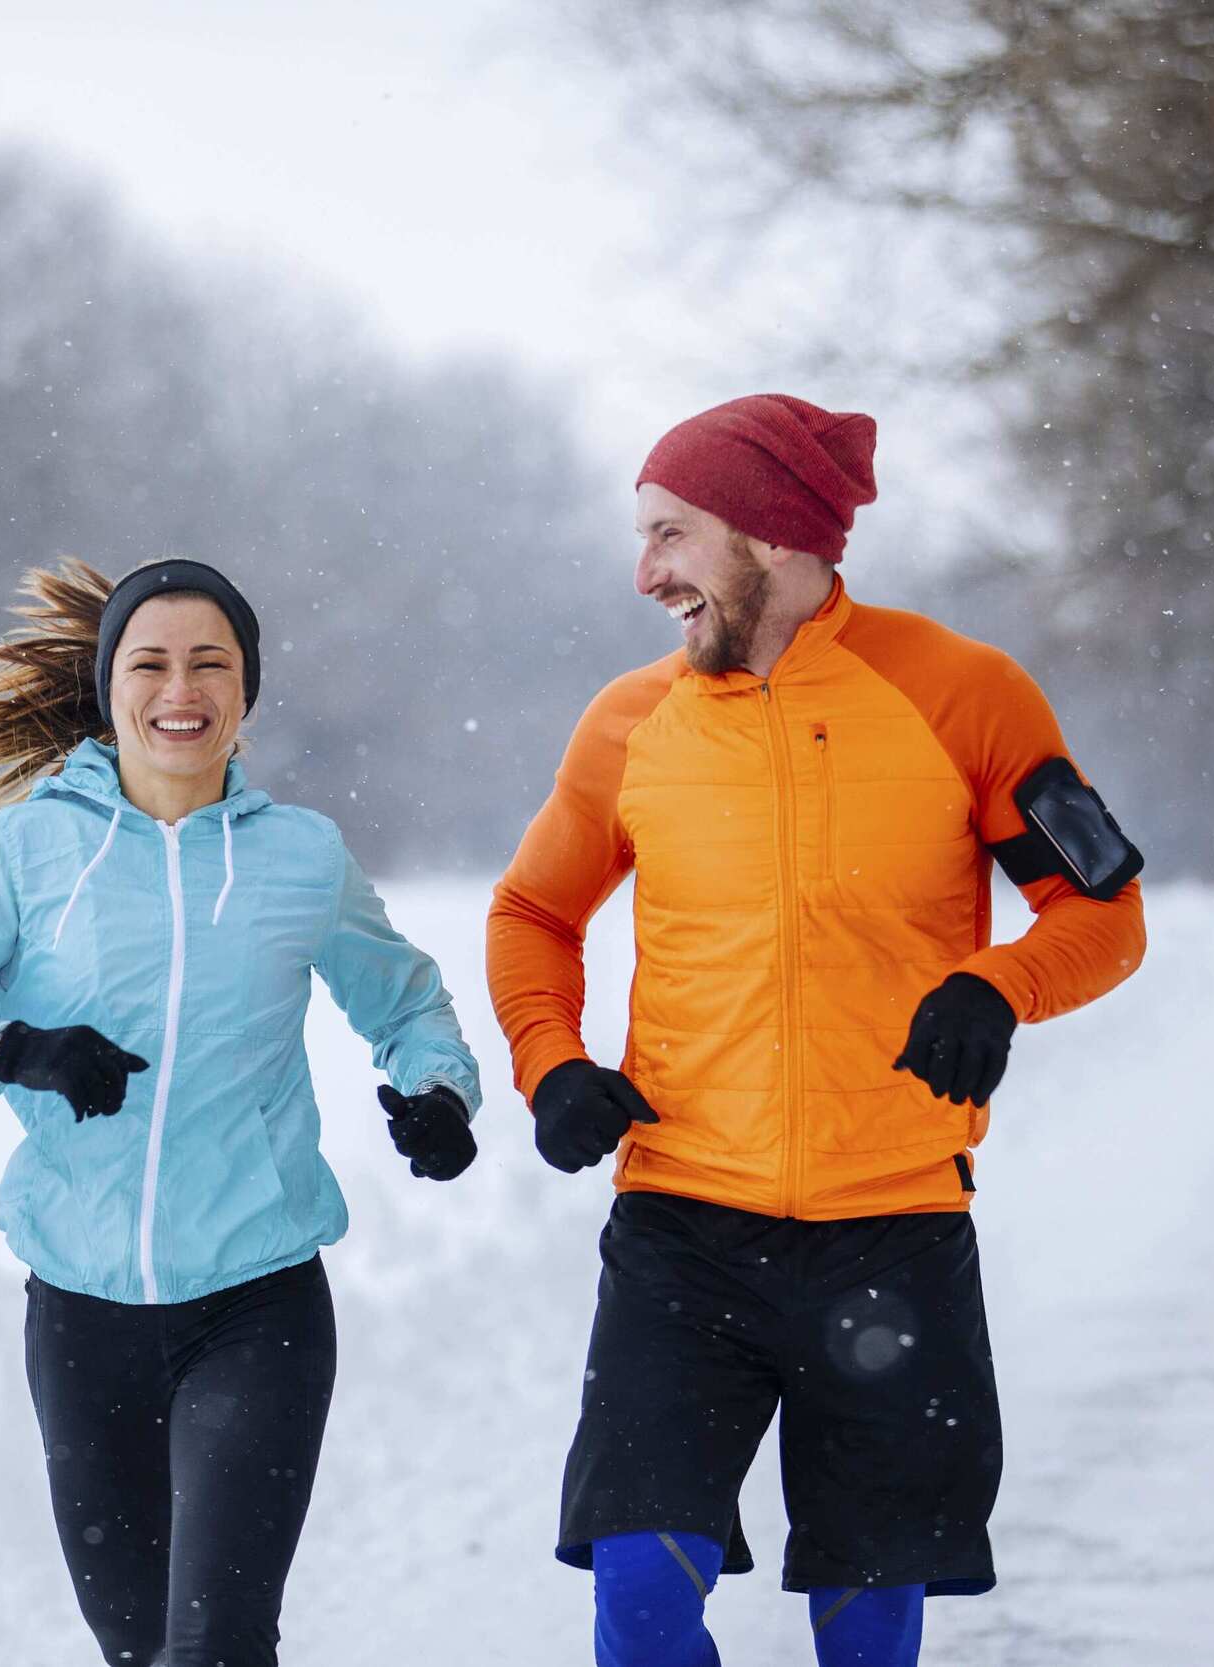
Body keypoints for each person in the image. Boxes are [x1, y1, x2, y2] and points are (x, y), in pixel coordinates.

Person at [487, 395, 1147, 1666]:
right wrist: (550, 1060)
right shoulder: (631, 722)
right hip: (682, 1228)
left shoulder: (961, 694)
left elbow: (1103, 912)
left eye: (671, 534)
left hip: (891, 1227)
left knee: (866, 1625)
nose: (646, 572)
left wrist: (996, 986)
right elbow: (530, 910)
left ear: (772, 533)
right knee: (635, 1595)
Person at [0, 557, 483, 1667]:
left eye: (210, 663)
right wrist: (10, 1047)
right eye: (149, 662)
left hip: (258, 1307)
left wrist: (437, 1090)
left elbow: (410, 1001)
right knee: (139, 1647)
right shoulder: (29, 847)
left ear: (246, 690)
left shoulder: (301, 857)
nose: (179, 688)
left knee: (217, 1644)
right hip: (82, 1315)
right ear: (108, 689)